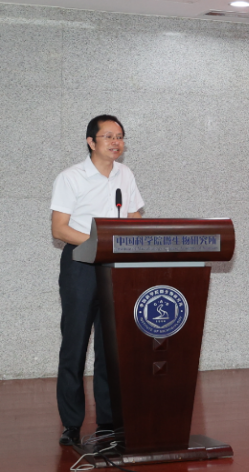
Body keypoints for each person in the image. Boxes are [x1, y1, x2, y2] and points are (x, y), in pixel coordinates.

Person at [50, 115, 144, 446]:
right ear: (91, 142)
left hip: (115, 267)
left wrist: (130, 241)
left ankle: (108, 421)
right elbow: (59, 228)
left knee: (111, 347)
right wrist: (100, 243)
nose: (116, 142)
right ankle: (71, 424)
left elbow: (134, 216)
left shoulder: (125, 175)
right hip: (80, 265)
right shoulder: (71, 177)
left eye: (120, 136)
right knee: (74, 345)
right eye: (108, 136)